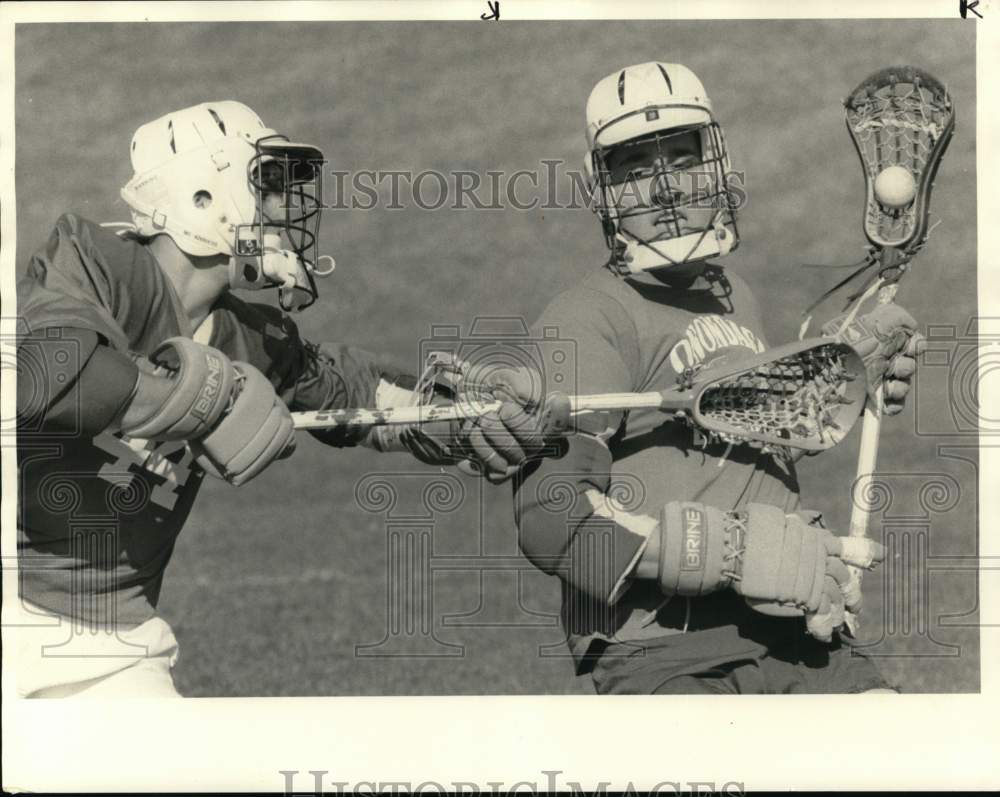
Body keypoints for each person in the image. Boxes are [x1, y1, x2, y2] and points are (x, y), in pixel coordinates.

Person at [12, 101, 565, 698]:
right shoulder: (99, 262)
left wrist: (465, 416)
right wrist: (200, 400)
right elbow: (50, 378)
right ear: (202, 197)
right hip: (16, 619)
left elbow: (357, 396)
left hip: (121, 645)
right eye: (266, 185)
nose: (284, 206)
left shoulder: (250, 336)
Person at [512, 63, 926, 694]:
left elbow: (745, 454)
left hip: (793, 635)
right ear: (604, 192)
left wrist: (840, 379)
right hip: (664, 653)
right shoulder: (584, 317)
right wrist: (733, 557)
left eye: (682, 159)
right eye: (633, 169)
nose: (665, 189)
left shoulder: (735, 297)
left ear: (717, 166)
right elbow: (553, 522)